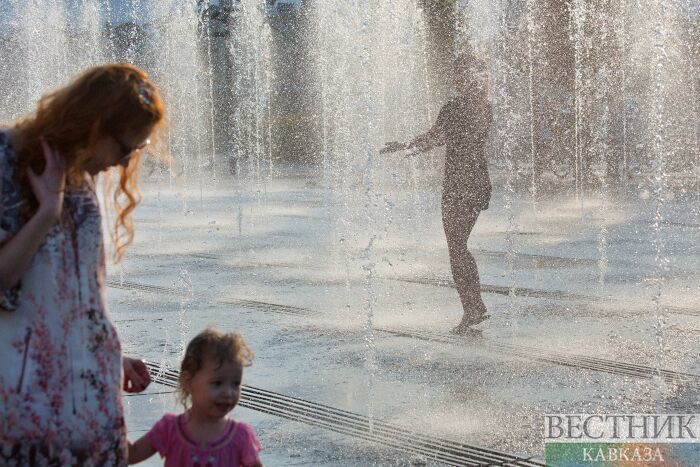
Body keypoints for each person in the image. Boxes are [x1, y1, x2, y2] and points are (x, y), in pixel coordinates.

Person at [0, 64, 165, 464]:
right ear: (95, 124)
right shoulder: (7, 159)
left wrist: (106, 351)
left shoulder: (77, 173)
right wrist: (45, 215)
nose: (125, 163)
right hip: (29, 411)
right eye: (125, 147)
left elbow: (76, 288)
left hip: (91, 402)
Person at [381, 51, 493, 334]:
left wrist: (407, 145)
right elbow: (444, 137)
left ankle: (473, 309)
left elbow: (436, 136)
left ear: (467, 76)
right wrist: (413, 147)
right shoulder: (484, 106)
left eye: (459, 72)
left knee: (456, 247)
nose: (455, 78)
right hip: (478, 181)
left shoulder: (455, 107)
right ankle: (474, 306)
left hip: (458, 185)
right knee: (459, 246)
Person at [128, 328, 263, 466]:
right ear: (188, 382)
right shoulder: (169, 430)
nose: (228, 392)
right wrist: (111, 409)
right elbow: (130, 454)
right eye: (218, 383)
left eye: (235, 384)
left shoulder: (241, 436)